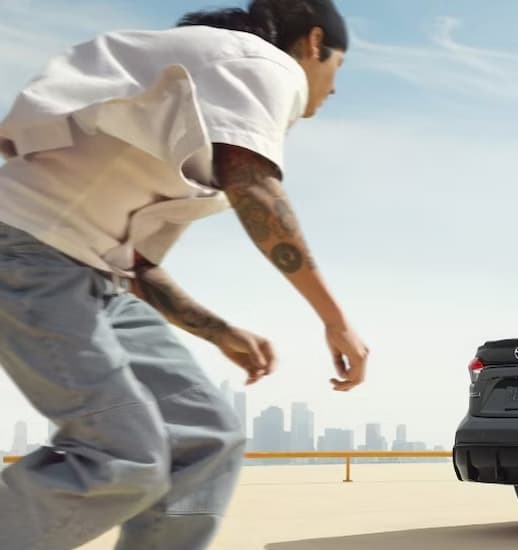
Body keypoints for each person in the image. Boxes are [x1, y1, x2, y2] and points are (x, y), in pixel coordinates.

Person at [0, 1, 369, 548]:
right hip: (28, 251)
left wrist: (219, 331)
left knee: (206, 438)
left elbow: (137, 266)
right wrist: (335, 322)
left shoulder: (206, 84)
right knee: (123, 452)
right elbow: (255, 190)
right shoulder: (263, 64)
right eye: (338, 67)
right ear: (315, 44)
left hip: (91, 273)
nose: (334, 88)